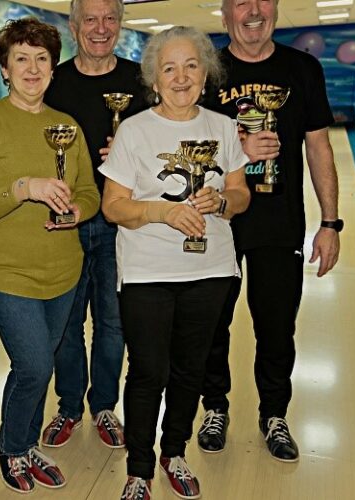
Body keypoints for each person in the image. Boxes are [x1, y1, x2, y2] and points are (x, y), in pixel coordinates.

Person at [100, 26, 251, 500]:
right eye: (169, 68)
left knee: (191, 368)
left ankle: (175, 452)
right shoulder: (134, 130)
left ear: (205, 75)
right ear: (154, 79)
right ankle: (139, 469)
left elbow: (241, 194)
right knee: (149, 371)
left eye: (191, 66)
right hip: (147, 271)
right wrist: (162, 212)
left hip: (211, 270)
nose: (181, 77)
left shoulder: (223, 127)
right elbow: (113, 207)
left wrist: (221, 202)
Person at [197, 0, 341, 463]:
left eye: (262, 0)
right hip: (217, 220)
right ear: (225, 14)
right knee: (211, 324)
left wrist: (330, 223)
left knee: (277, 328)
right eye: (241, 2)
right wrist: (240, 145)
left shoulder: (303, 69)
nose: (253, 11)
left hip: (280, 223)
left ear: (276, 8)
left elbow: (318, 148)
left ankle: (274, 414)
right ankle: (214, 407)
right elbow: (186, 140)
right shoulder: (206, 70)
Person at [0, 18, 100, 495]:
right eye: (21, 58)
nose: (33, 68)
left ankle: (22, 439)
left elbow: (89, 191)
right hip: (5, 270)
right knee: (35, 366)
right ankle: (12, 445)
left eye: (42, 58)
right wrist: (23, 188)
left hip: (64, 268)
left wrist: (78, 210)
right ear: (4, 68)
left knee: (39, 368)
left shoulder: (68, 126)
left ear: (53, 68)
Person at [41, 0, 147, 449]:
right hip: (65, 222)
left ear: (120, 24)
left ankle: (104, 405)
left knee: (113, 322)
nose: (101, 28)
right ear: (73, 26)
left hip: (120, 223)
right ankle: (68, 406)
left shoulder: (142, 82)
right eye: (90, 19)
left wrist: (132, 161)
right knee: (65, 323)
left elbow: (162, 152)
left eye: (110, 19)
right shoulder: (52, 83)